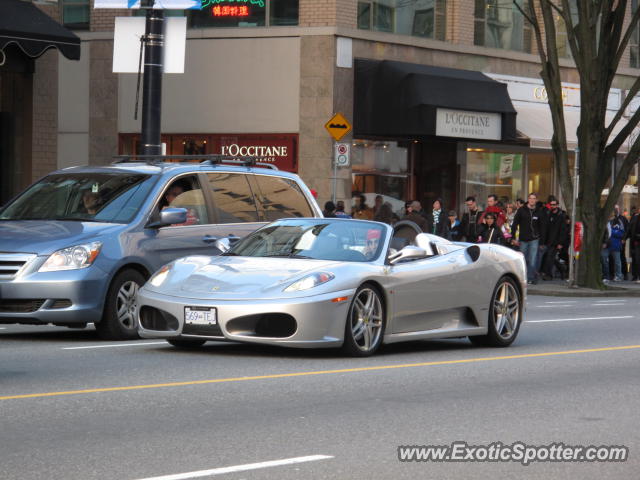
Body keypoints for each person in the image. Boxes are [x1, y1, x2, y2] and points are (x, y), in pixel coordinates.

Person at [511, 192, 547, 284]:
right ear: (528, 199)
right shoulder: (521, 210)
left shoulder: (539, 211)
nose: (532, 200)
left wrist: (542, 242)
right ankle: (522, 277)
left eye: (534, 198)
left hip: (535, 239)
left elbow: (543, 227)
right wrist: (513, 237)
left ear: (536, 200)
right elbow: (514, 224)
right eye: (530, 198)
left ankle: (530, 278)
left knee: (533, 259)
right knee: (523, 259)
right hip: (523, 239)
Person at [541, 199, 567, 280]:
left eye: (554, 204)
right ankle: (562, 268)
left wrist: (560, 243)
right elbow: (545, 228)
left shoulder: (561, 216)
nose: (552, 206)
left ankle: (548, 275)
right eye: (551, 204)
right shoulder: (548, 214)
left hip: (556, 241)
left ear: (557, 205)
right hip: (549, 240)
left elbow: (563, 230)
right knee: (550, 258)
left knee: (549, 257)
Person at [602, 212, 625, 281]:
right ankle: (606, 276)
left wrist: (612, 232)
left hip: (615, 245)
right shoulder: (604, 221)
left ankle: (618, 275)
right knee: (604, 259)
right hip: (606, 245)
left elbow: (621, 233)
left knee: (617, 261)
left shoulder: (618, 222)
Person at [628, 207, 640, 282]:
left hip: (635, 242)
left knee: (637, 259)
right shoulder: (635, 218)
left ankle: (636, 276)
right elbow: (629, 229)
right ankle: (636, 276)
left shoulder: (635, 218)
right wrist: (624, 238)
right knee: (636, 259)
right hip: (636, 242)